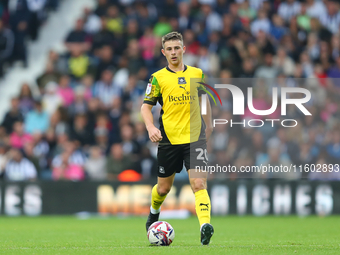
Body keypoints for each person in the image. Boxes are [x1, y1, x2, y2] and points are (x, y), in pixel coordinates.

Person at [140, 31, 214, 245]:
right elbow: (146, 107)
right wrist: (150, 127)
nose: (173, 52)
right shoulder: (157, 78)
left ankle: (205, 226)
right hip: (169, 140)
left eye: (176, 48)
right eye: (169, 49)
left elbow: (205, 101)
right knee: (163, 188)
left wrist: (208, 125)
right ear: (163, 52)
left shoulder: (197, 74)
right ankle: (154, 214)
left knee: (199, 183)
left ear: (184, 49)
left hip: (195, 139)